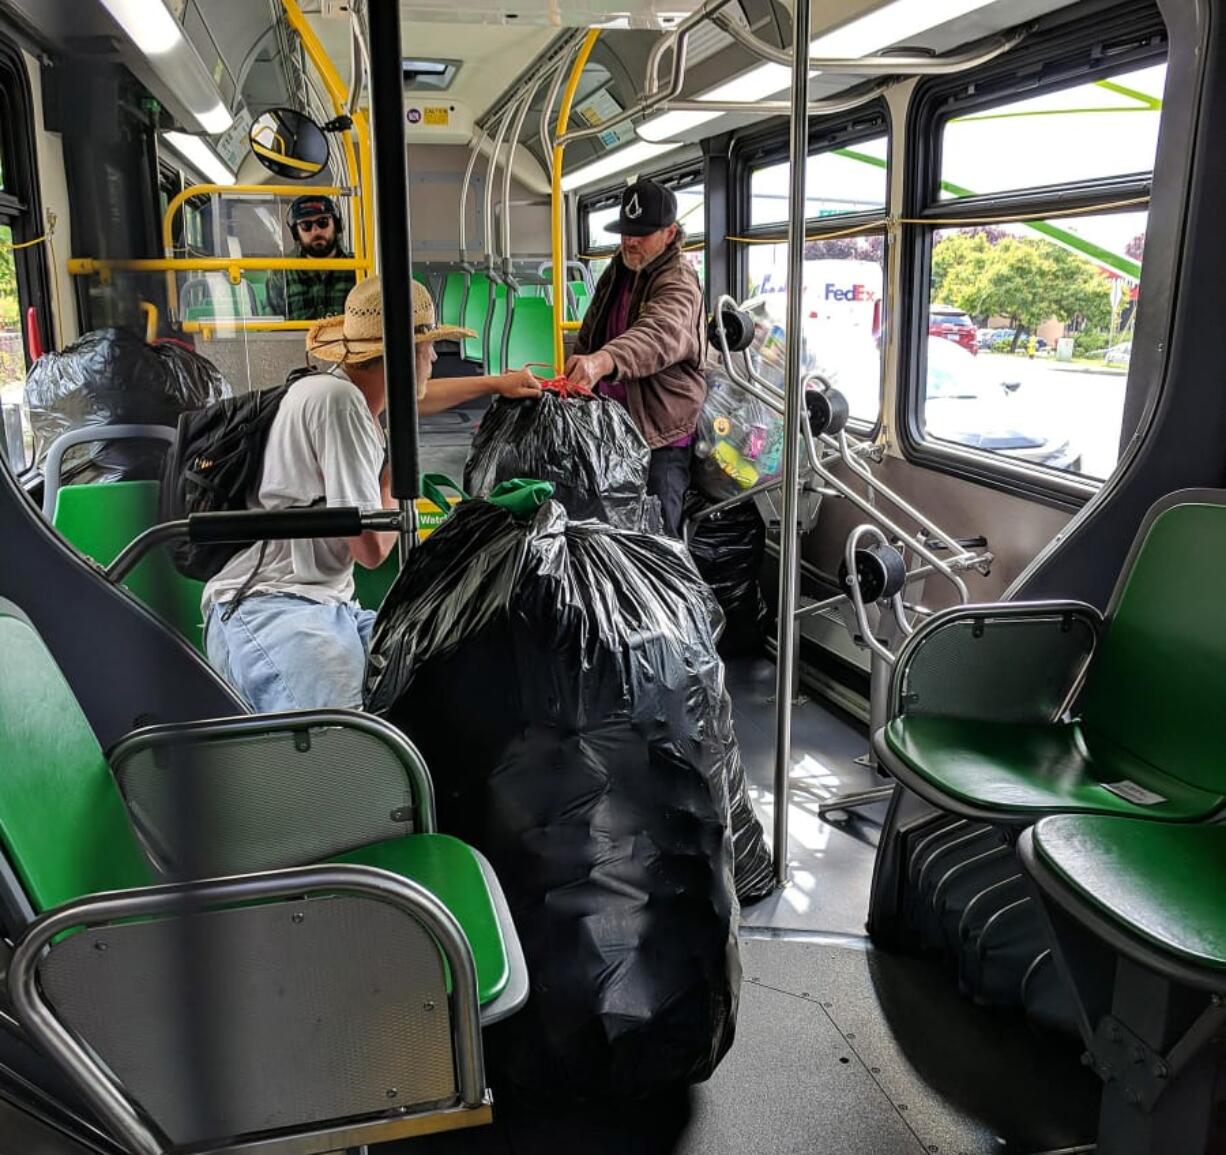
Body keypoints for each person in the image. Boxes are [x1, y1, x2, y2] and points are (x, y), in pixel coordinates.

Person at [201, 276, 541, 713]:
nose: (435, 355)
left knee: (426, 679)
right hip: (273, 610)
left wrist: (496, 384)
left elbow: (416, 397)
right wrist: (393, 475)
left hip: (325, 606)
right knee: (355, 743)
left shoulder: (333, 390)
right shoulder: (341, 407)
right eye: (427, 346)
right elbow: (373, 547)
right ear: (400, 357)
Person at [563, 178, 706, 537]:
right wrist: (576, 373)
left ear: (670, 233)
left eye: (641, 234)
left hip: (661, 433)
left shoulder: (679, 280)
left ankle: (667, 594)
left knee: (659, 538)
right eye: (627, 232)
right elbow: (592, 328)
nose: (630, 241)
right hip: (614, 427)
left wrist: (603, 361)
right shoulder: (619, 268)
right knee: (610, 529)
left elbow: (658, 334)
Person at [266, 194, 356, 321]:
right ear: (296, 233)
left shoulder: (359, 268)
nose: (316, 231)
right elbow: (272, 331)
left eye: (323, 222)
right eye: (306, 225)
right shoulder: (281, 274)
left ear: (336, 225)